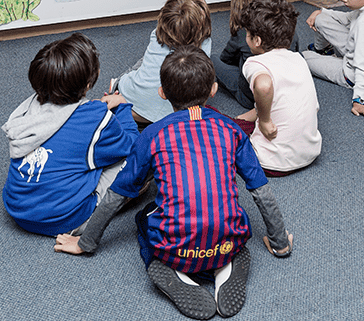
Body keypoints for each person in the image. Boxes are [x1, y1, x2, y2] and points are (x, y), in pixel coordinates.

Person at [53, 45, 294, 320]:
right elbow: (260, 191)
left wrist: (86, 241)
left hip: (176, 247)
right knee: (234, 216)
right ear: (213, 89)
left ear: (162, 93)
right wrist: (279, 242)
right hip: (226, 243)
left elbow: (117, 194)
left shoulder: (153, 135)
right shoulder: (232, 130)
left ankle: (174, 270)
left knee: (144, 218)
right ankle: (225, 265)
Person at [1, 33, 138, 236]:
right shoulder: (96, 118)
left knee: (81, 152)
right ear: (89, 84)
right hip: (63, 219)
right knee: (138, 162)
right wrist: (123, 108)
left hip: (18, 210)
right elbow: (131, 143)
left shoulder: (27, 106)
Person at [233, 0, 321, 175]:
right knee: (238, 122)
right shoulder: (298, 59)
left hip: (270, 164)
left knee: (223, 132)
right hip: (310, 154)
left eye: (247, 34)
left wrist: (264, 121)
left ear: (256, 40)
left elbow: (264, 86)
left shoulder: (254, 63)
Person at [114, 0, 213, 126]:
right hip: (169, 118)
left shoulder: (156, 34)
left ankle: (115, 87)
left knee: (140, 65)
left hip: (131, 108)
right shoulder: (204, 44)